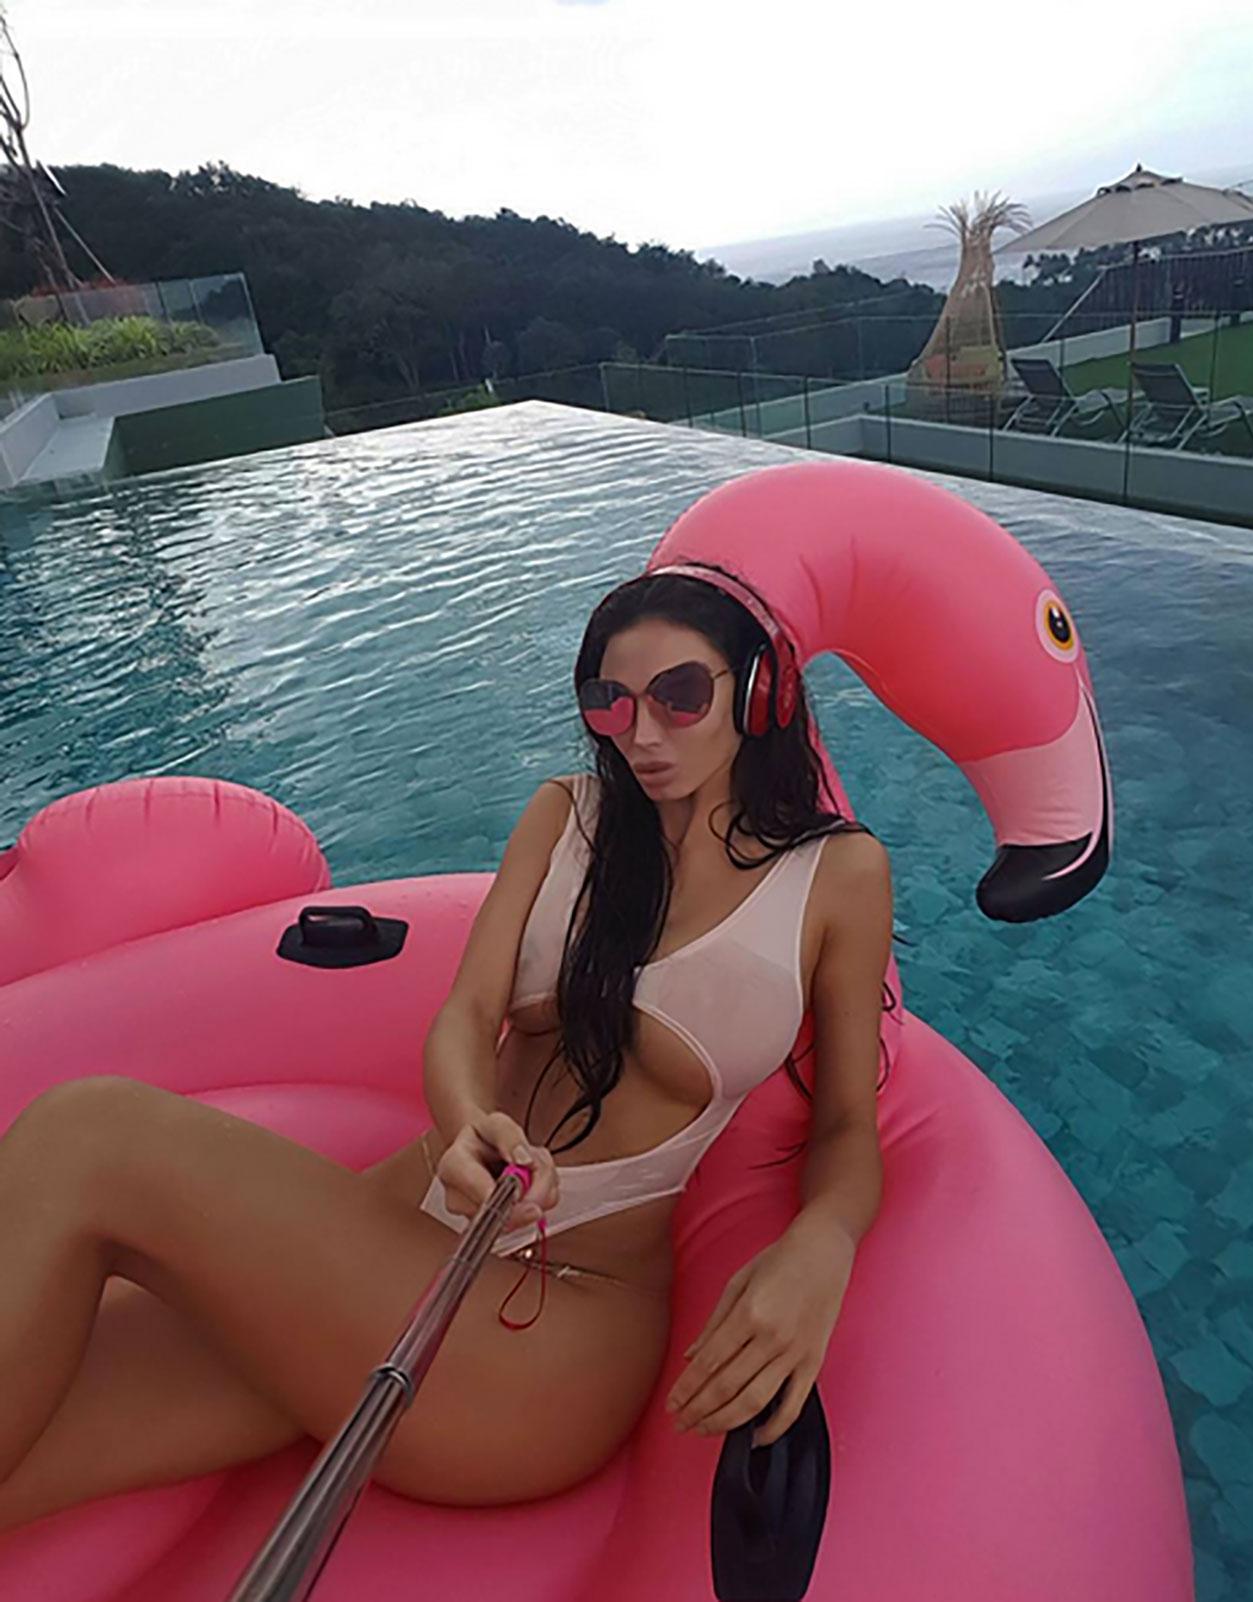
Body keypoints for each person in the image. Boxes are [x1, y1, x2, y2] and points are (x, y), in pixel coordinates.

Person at [0, 563, 893, 1531]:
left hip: (548, 1328)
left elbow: (848, 1120)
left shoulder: (834, 876)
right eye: (611, 703)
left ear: (757, 693)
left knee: (88, 1130)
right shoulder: (569, 819)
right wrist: (466, 1118)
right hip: (403, 1234)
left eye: (679, 696)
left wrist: (822, 1243)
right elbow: (468, 1014)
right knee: (35, 1450)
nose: (641, 734)